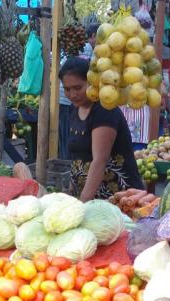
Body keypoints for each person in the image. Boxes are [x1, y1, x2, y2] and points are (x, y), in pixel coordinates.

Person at [59, 57, 145, 200]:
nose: (72, 94)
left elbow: (100, 160)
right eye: (67, 89)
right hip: (90, 198)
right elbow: (77, 157)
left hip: (120, 199)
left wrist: (82, 204)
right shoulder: (73, 109)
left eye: (78, 88)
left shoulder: (104, 110)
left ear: (92, 83)